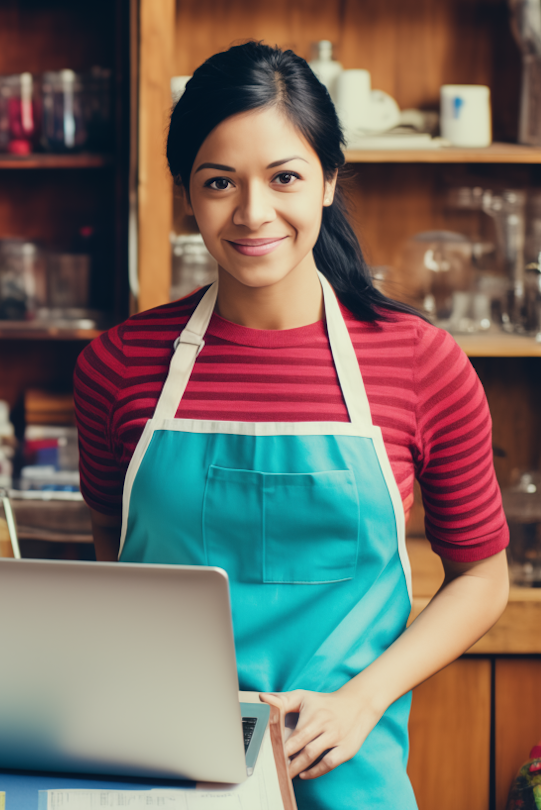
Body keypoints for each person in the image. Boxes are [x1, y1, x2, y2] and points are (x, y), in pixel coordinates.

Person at [74, 42, 508, 810]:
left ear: (330, 181)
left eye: (284, 178)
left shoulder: (420, 362)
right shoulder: (119, 365)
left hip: (344, 771)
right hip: (167, 770)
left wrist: (361, 701)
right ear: (187, 195)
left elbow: (482, 578)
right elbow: (115, 548)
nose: (252, 213)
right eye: (219, 183)